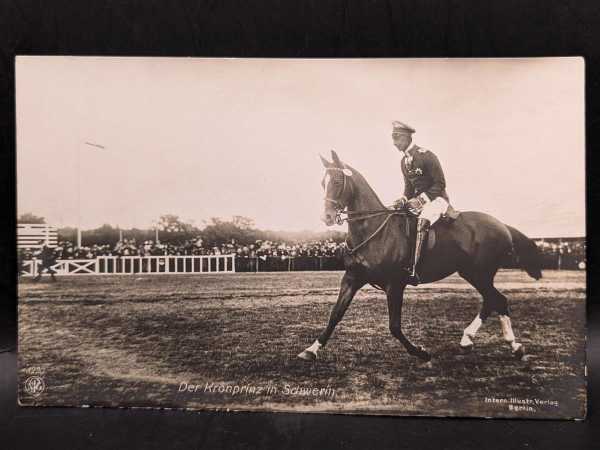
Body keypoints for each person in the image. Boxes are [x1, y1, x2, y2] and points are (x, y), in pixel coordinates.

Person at [391, 121, 450, 285]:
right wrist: (403, 199)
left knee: (423, 222)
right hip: (418, 202)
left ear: (406, 137)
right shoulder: (404, 161)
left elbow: (440, 183)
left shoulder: (427, 155)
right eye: (393, 139)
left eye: (397, 139)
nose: (395, 144)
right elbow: (409, 187)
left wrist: (420, 200)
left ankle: (415, 269)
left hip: (437, 199)